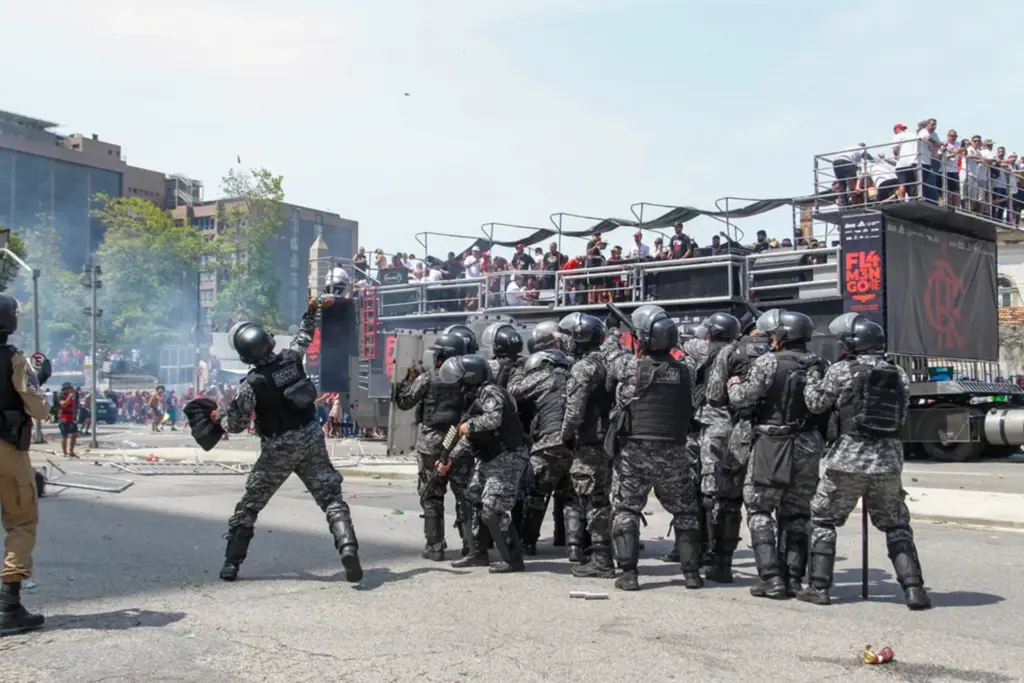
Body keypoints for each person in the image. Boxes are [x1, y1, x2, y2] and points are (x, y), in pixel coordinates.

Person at [211, 298, 362, 583]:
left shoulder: (252, 384)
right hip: (310, 437)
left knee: (249, 506)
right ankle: (348, 547)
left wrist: (217, 417)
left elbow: (237, 424)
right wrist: (313, 309)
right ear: (268, 340)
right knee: (331, 498)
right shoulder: (292, 359)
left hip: (278, 448)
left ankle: (231, 564)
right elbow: (305, 334)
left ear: (245, 355)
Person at [800, 313, 932, 610]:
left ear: (852, 344)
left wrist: (811, 380)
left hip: (847, 460)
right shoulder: (898, 372)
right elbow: (902, 412)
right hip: (887, 462)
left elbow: (816, 403)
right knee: (897, 525)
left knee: (823, 519)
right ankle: (914, 590)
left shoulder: (841, 370)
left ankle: (819, 587)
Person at [727, 309, 825, 600]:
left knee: (759, 508)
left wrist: (733, 385)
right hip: (807, 445)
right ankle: (794, 579)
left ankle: (771, 579)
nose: (770, 339)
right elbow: (820, 405)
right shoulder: (817, 364)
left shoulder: (768, 362)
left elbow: (744, 397)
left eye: (773, 334)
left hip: (772, 442)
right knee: (797, 512)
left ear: (782, 336)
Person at [608, 305, 701, 591]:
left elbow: (609, 357)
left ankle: (629, 574)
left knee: (626, 509)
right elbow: (685, 357)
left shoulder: (630, 366)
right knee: (685, 511)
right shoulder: (688, 371)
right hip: (674, 450)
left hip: (634, 452)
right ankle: (692, 574)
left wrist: (615, 332)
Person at [697, 310, 773, 581]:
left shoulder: (731, 352)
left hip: (732, 429)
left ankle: (719, 562)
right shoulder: (782, 356)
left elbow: (715, 395)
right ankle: (780, 573)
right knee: (773, 504)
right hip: (773, 436)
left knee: (726, 498)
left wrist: (736, 388)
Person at [437, 354, 529, 573]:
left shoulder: (491, 393)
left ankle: (513, 559)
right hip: (489, 456)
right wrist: (448, 458)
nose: (457, 387)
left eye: (460, 381)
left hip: (508, 456)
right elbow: (468, 438)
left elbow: (493, 420)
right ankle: (478, 552)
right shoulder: (475, 398)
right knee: (470, 501)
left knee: (493, 510)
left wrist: (469, 425)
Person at [392, 332, 471, 560]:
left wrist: (405, 381)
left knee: (432, 495)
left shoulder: (428, 378)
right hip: (460, 441)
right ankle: (471, 546)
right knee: (463, 495)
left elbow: (405, 401)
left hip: (431, 443)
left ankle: (435, 547)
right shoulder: (468, 379)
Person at [0, 294, 52, 635]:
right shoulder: (15, 359)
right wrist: (40, 378)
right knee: (21, 522)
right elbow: (38, 408)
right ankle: (9, 607)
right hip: (6, 448)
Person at [558, 312, 615, 578]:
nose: (566, 341)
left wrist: (566, 435)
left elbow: (574, 411)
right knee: (604, 497)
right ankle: (604, 553)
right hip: (610, 438)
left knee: (593, 498)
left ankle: (601, 559)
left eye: (569, 336)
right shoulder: (609, 361)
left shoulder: (583, 367)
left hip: (591, 440)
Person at [688, 312, 742, 578]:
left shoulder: (706, 348)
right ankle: (724, 560)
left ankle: (706, 553)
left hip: (713, 425)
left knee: (708, 492)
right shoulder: (743, 352)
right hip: (740, 428)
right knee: (732, 495)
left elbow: (687, 344)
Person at [510, 347, 574, 556]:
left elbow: (514, 391)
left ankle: (527, 544)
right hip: (576, 445)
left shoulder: (546, 376)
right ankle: (574, 548)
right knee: (572, 497)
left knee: (535, 494)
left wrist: (519, 369)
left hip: (549, 443)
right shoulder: (575, 375)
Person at [57, 383, 78, 458]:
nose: (71, 390)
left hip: (70, 418)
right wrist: (69, 396)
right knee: (64, 436)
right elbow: (63, 405)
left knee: (75, 434)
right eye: (70, 389)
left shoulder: (72, 396)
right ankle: (65, 453)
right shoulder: (61, 396)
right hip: (63, 419)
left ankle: (71, 451)